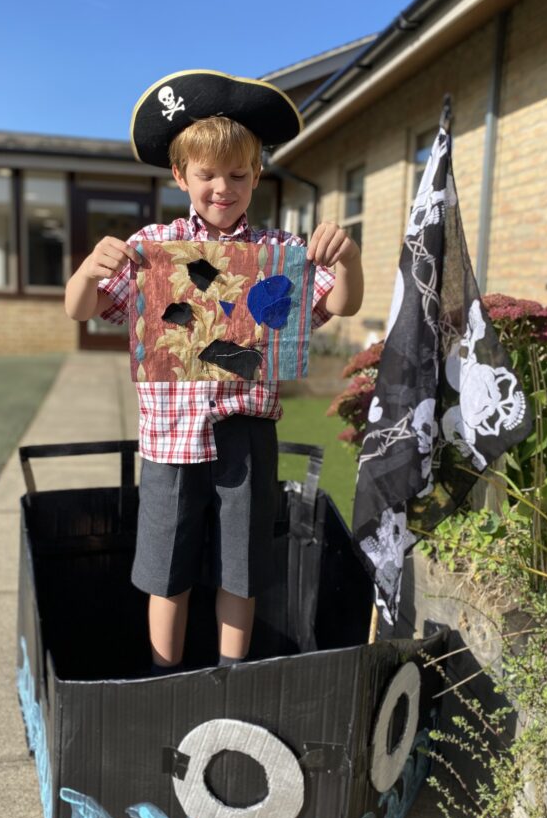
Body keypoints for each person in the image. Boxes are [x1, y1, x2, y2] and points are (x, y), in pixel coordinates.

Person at [65, 70, 363, 675]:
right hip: (170, 436)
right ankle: (162, 677)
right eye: (207, 174)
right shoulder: (153, 245)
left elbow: (339, 303)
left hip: (246, 432)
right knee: (164, 568)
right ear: (181, 177)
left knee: (241, 566)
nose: (221, 187)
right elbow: (83, 308)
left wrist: (349, 257)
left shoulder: (280, 252)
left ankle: (233, 676)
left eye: (237, 174)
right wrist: (88, 269)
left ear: (257, 175)